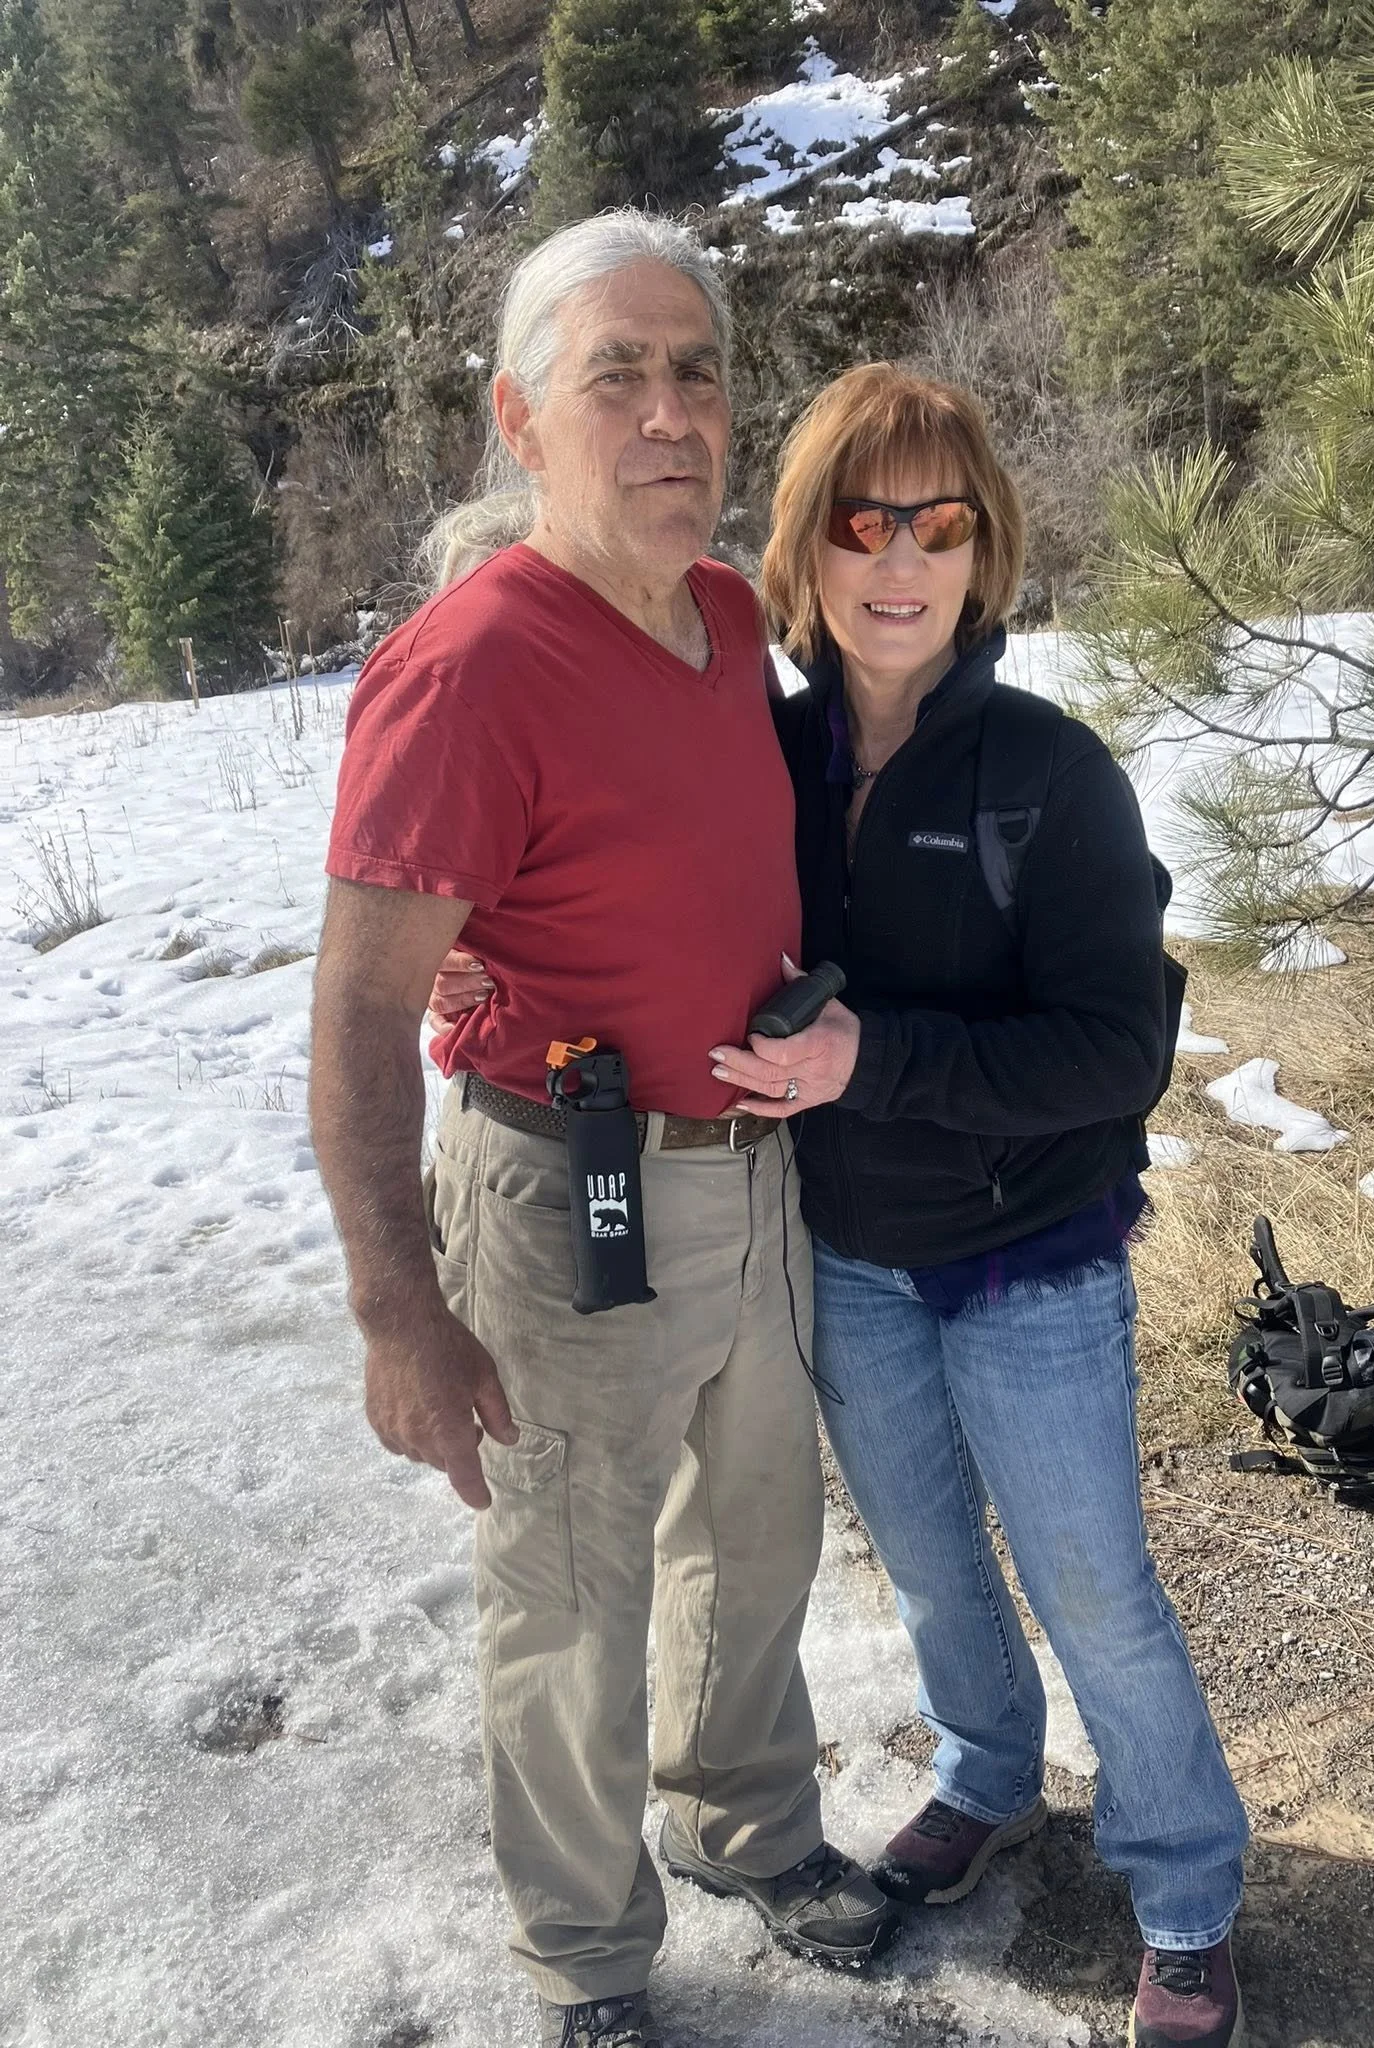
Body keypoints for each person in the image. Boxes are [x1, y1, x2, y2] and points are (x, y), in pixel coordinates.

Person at [434, 362, 1251, 2048]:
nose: (901, 558)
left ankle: (1186, 1887)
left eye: (939, 522)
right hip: (848, 1259)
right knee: (939, 1574)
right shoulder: (766, 739)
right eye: (864, 519)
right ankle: (984, 1774)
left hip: (1029, 1261)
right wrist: (480, 942)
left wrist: (880, 1060)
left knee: (1094, 1585)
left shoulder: (1048, 771)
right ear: (805, 550)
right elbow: (622, 857)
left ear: (984, 551)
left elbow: (1117, 1050)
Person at [309, 213, 894, 2048]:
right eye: (614, 374)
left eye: (697, 368)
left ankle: (748, 1823)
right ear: (519, 417)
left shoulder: (724, 615)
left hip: (752, 1174)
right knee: (569, 1588)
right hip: (566, 1195)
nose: (668, 413)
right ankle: (584, 1951)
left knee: (755, 1533)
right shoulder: (468, 667)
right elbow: (349, 1013)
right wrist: (398, 1306)